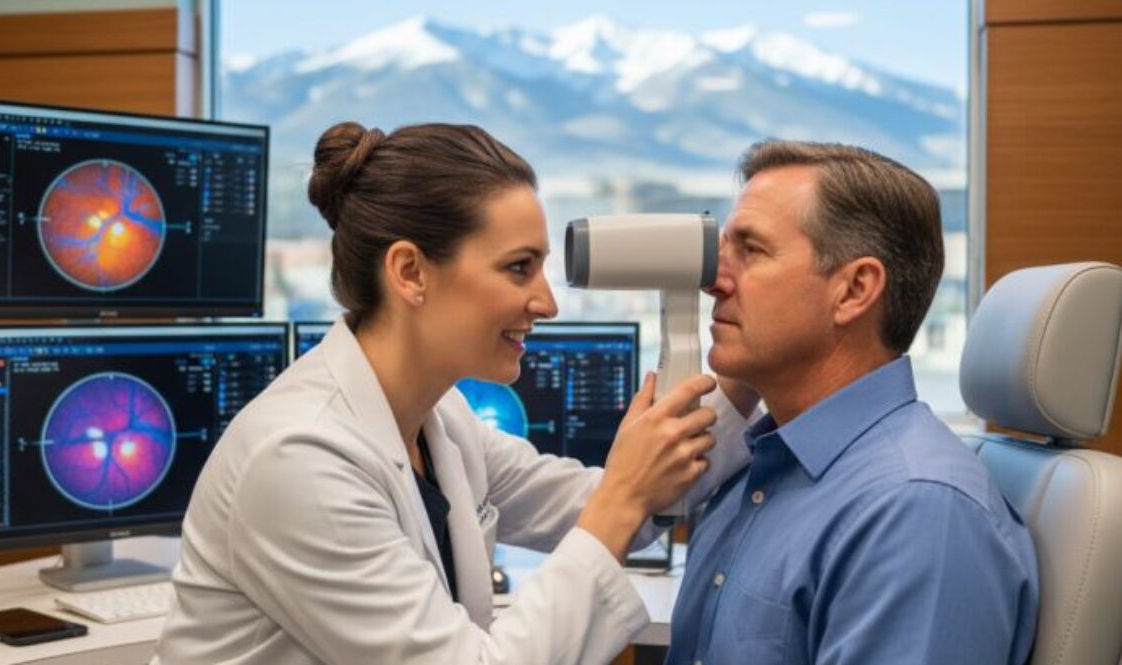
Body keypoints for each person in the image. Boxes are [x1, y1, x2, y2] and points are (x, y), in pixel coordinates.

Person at [152, 122, 755, 665]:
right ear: (410, 272)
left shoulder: (441, 419)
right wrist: (621, 497)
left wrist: (750, 371)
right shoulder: (298, 456)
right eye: (519, 268)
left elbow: (618, 504)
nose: (546, 303)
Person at [666, 141, 1039, 665]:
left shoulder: (916, 513)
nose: (713, 280)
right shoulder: (761, 470)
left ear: (854, 290)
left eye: (750, 250)